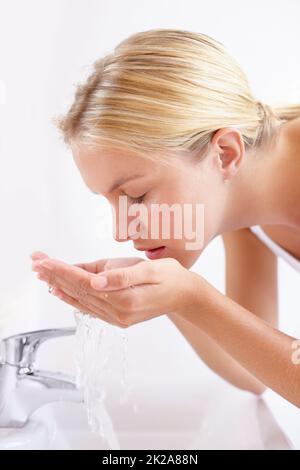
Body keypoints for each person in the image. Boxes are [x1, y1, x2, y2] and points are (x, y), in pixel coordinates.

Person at [31, 29, 300, 407]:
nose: (122, 230)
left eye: (137, 196)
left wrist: (194, 298)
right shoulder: (238, 207)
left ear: (224, 153)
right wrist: (171, 297)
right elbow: (252, 373)